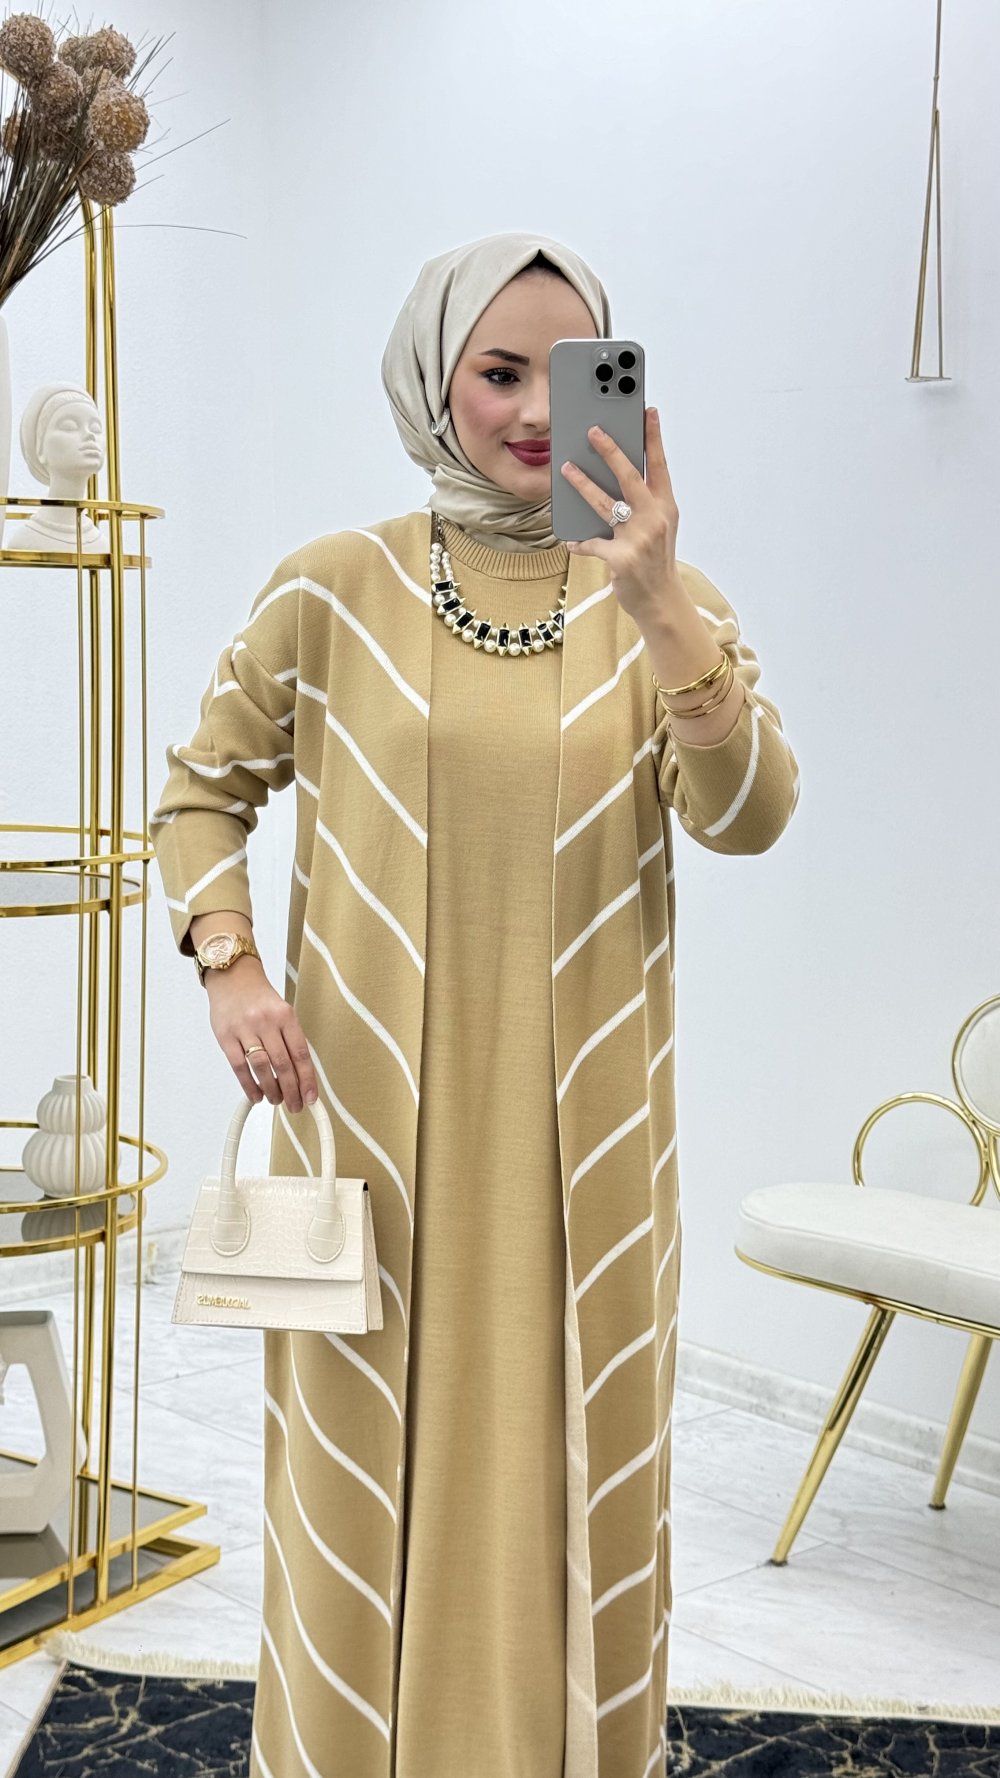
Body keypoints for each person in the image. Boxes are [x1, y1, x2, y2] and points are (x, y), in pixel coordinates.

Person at [150, 230, 800, 1778]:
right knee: (354, 1471)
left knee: (575, 1472)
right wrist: (231, 961)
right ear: (432, 378)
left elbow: (751, 814)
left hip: (587, 1165)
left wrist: (658, 602)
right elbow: (200, 790)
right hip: (366, 1133)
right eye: (498, 371)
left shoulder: (666, 603)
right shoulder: (334, 587)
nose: (532, 411)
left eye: (569, 374)